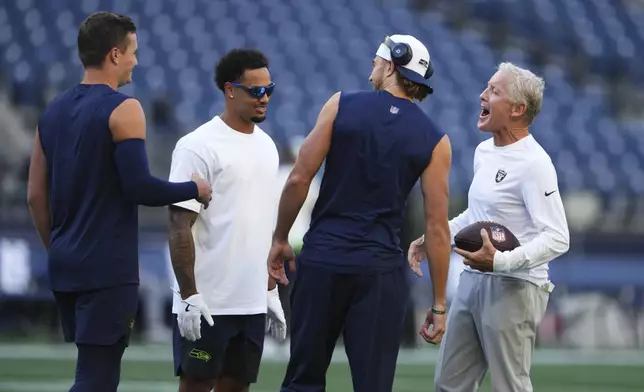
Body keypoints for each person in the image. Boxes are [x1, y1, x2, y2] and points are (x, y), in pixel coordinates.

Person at [26, 12, 211, 392]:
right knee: (97, 379)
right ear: (114, 54)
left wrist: (57, 247)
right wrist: (194, 189)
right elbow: (140, 188)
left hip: (66, 264)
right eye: (133, 52)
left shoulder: (52, 113)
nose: (136, 61)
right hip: (106, 268)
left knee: (91, 370)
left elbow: (34, 195)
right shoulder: (124, 108)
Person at [267, 34, 453, 392]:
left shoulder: (340, 105)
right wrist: (439, 303)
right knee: (373, 385)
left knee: (302, 379)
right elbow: (436, 227)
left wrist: (279, 238)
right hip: (380, 270)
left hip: (323, 259)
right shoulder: (435, 139)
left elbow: (299, 179)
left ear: (391, 66)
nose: (373, 64)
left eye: (377, 59)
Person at [408, 62, 570, 392]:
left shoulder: (534, 164)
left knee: (509, 386)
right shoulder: (484, 151)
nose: (482, 94)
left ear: (517, 109)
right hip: (474, 279)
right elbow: (478, 216)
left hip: (516, 286)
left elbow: (557, 236)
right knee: (448, 384)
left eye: (494, 91)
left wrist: (501, 262)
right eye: (486, 87)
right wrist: (437, 237)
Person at [167, 48, 287, 392]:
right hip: (208, 301)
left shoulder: (268, 147)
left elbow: (261, 223)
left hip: (250, 301)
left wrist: (268, 290)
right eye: (256, 91)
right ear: (230, 89)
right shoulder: (197, 146)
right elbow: (178, 226)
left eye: (269, 90)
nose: (264, 98)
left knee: (237, 387)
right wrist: (189, 294)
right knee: (196, 385)